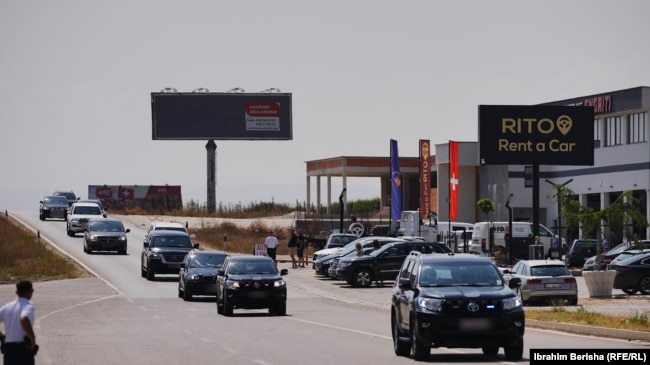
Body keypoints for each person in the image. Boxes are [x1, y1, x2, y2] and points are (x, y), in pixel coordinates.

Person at [0, 280, 38, 365]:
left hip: (8, 349)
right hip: (23, 348)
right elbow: (23, 318)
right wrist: (32, 338)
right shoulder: (28, 305)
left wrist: (2, 336)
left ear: (16, 292)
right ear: (31, 292)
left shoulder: (7, 306)